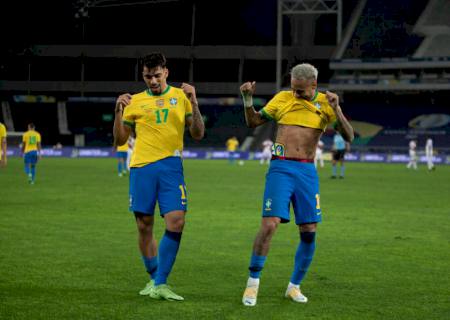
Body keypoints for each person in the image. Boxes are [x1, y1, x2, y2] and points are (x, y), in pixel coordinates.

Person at [239, 63, 353, 306]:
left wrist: (337, 109)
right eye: (293, 88)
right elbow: (254, 122)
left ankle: (294, 286)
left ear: (314, 85)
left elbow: (349, 136)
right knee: (269, 225)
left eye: (300, 90)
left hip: (306, 171)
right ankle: (252, 284)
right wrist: (248, 100)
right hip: (281, 168)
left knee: (309, 231)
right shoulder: (282, 98)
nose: (295, 93)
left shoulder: (326, 104)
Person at [113, 52, 204, 301]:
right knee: (144, 226)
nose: (152, 81)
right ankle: (154, 277)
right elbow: (120, 140)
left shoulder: (180, 96)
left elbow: (197, 133)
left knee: (176, 221)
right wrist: (118, 110)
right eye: (147, 76)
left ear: (166, 72)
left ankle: (161, 283)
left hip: (171, 167)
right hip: (142, 167)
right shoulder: (134, 101)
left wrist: (194, 101)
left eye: (156, 75)